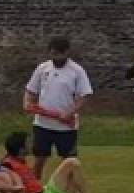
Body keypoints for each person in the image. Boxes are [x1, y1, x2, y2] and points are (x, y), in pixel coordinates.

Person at [1, 132, 134, 193]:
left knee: (71, 162)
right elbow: (9, 190)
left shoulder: (19, 160)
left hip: (44, 192)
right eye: (28, 142)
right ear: (21, 148)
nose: (31, 144)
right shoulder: (8, 165)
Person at [24, 36, 93, 179]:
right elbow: (30, 90)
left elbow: (84, 95)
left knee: (69, 163)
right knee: (39, 160)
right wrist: (27, 102)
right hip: (42, 124)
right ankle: (34, 192)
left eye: (59, 54)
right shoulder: (43, 68)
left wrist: (70, 112)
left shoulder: (77, 71)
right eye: (53, 53)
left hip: (66, 127)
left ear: (67, 52)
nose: (56, 57)